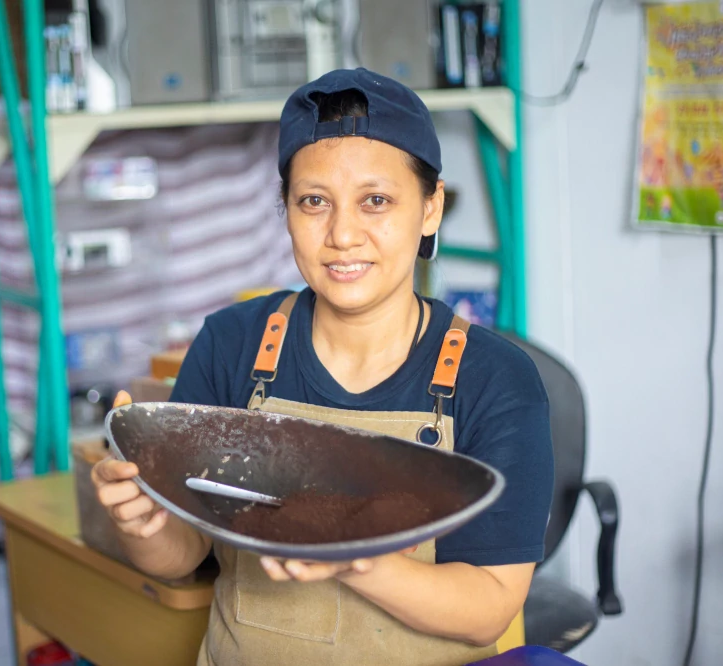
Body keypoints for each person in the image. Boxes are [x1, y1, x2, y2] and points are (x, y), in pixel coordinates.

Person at [92, 68, 554, 666]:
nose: (342, 235)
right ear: (285, 208)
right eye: (314, 201)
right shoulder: (232, 344)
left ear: (431, 208)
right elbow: (183, 556)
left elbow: (489, 607)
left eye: (375, 201)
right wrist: (144, 521)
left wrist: (353, 557)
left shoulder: (496, 380)